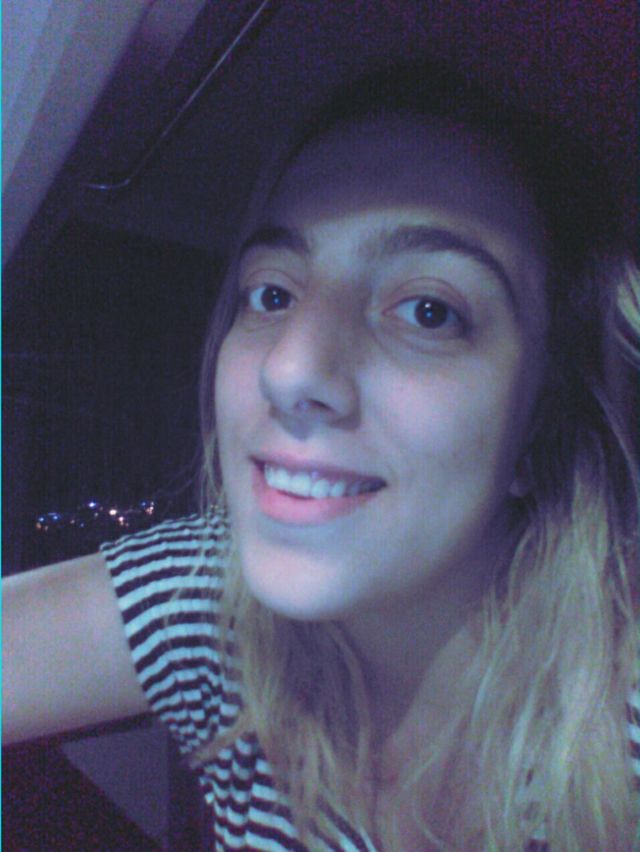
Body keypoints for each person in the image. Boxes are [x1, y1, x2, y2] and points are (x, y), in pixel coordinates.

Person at [4, 61, 640, 851]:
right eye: (271, 293)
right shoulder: (216, 606)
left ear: (541, 423)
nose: (291, 368)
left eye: (429, 310)